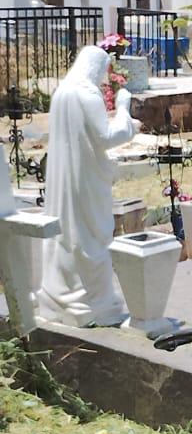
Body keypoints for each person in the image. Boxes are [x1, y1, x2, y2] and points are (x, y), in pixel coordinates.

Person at [36, 46, 140, 327]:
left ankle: (60, 296)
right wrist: (123, 110)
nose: (105, 79)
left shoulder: (62, 92)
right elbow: (107, 137)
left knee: (67, 234)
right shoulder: (87, 93)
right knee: (91, 235)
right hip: (86, 180)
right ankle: (93, 300)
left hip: (64, 180)